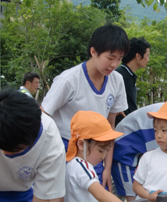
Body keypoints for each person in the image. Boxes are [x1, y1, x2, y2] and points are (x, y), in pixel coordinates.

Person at [41, 24, 129, 190]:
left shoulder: (117, 81)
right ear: (93, 52)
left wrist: (107, 168)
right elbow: (43, 116)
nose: (114, 64)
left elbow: (110, 127)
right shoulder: (69, 80)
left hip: (98, 149)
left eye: (119, 59)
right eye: (110, 58)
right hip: (65, 148)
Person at [115, 37, 151, 126]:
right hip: (120, 128)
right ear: (138, 56)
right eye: (147, 55)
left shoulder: (129, 75)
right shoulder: (120, 76)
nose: (148, 60)